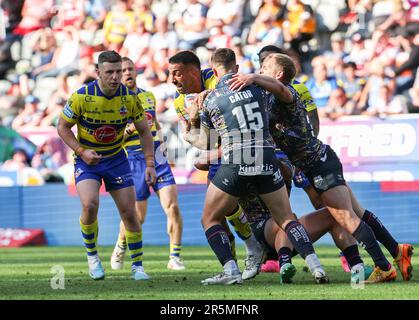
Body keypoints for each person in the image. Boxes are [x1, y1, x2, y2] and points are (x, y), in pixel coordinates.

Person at [229, 53, 413, 283]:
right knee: (355, 212)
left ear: (278, 74)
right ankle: (397, 251)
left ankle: (383, 267)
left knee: (346, 217)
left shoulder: (289, 92)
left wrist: (252, 77)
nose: (259, 69)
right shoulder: (268, 98)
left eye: (264, 67)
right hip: (317, 163)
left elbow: (280, 89)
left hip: (318, 163)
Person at [185, 48, 328, 285]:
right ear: (237, 68)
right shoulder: (259, 87)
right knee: (286, 218)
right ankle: (316, 266)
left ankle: (231, 270)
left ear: (212, 68)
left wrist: (192, 118)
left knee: (210, 218)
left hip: (236, 160)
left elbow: (205, 142)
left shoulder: (210, 98)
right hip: (266, 156)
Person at [57, 50, 157, 281]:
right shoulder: (81, 96)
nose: (115, 77)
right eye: (109, 72)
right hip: (87, 161)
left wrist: (150, 163)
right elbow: (62, 127)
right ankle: (93, 258)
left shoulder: (129, 98)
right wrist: (81, 151)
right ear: (98, 72)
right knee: (90, 205)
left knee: (129, 213)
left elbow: (144, 130)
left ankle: (138, 267)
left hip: (116, 160)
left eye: (119, 72)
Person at [168, 50, 265, 280]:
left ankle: (265, 252)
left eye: (177, 74)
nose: (172, 80)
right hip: (220, 153)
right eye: (170, 74)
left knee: (260, 210)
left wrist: (209, 93)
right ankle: (233, 264)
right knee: (218, 213)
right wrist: (193, 119)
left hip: (247, 148)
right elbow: (200, 140)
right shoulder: (179, 100)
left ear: (193, 72)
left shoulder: (218, 78)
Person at [110, 57, 185, 271]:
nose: (127, 73)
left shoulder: (148, 96)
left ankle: (175, 257)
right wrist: (132, 129)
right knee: (138, 217)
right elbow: (113, 138)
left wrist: (162, 146)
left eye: (130, 69)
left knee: (173, 207)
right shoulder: (114, 103)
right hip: (133, 158)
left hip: (158, 156)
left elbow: (156, 123)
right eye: (122, 70)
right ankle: (121, 245)